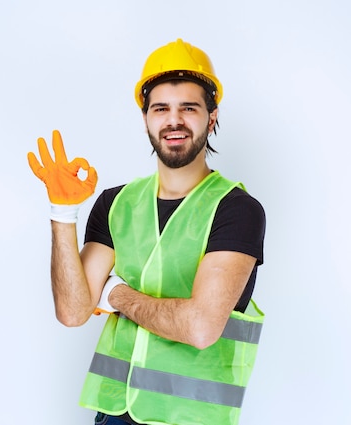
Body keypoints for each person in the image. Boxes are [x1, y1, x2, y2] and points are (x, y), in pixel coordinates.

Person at [27, 38, 266, 425]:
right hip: (115, 413)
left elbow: (201, 327)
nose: (174, 120)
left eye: (189, 108)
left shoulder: (237, 210)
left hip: (193, 417)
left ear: (212, 117)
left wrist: (116, 294)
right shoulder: (115, 204)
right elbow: (73, 311)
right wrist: (62, 213)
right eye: (161, 109)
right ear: (145, 119)